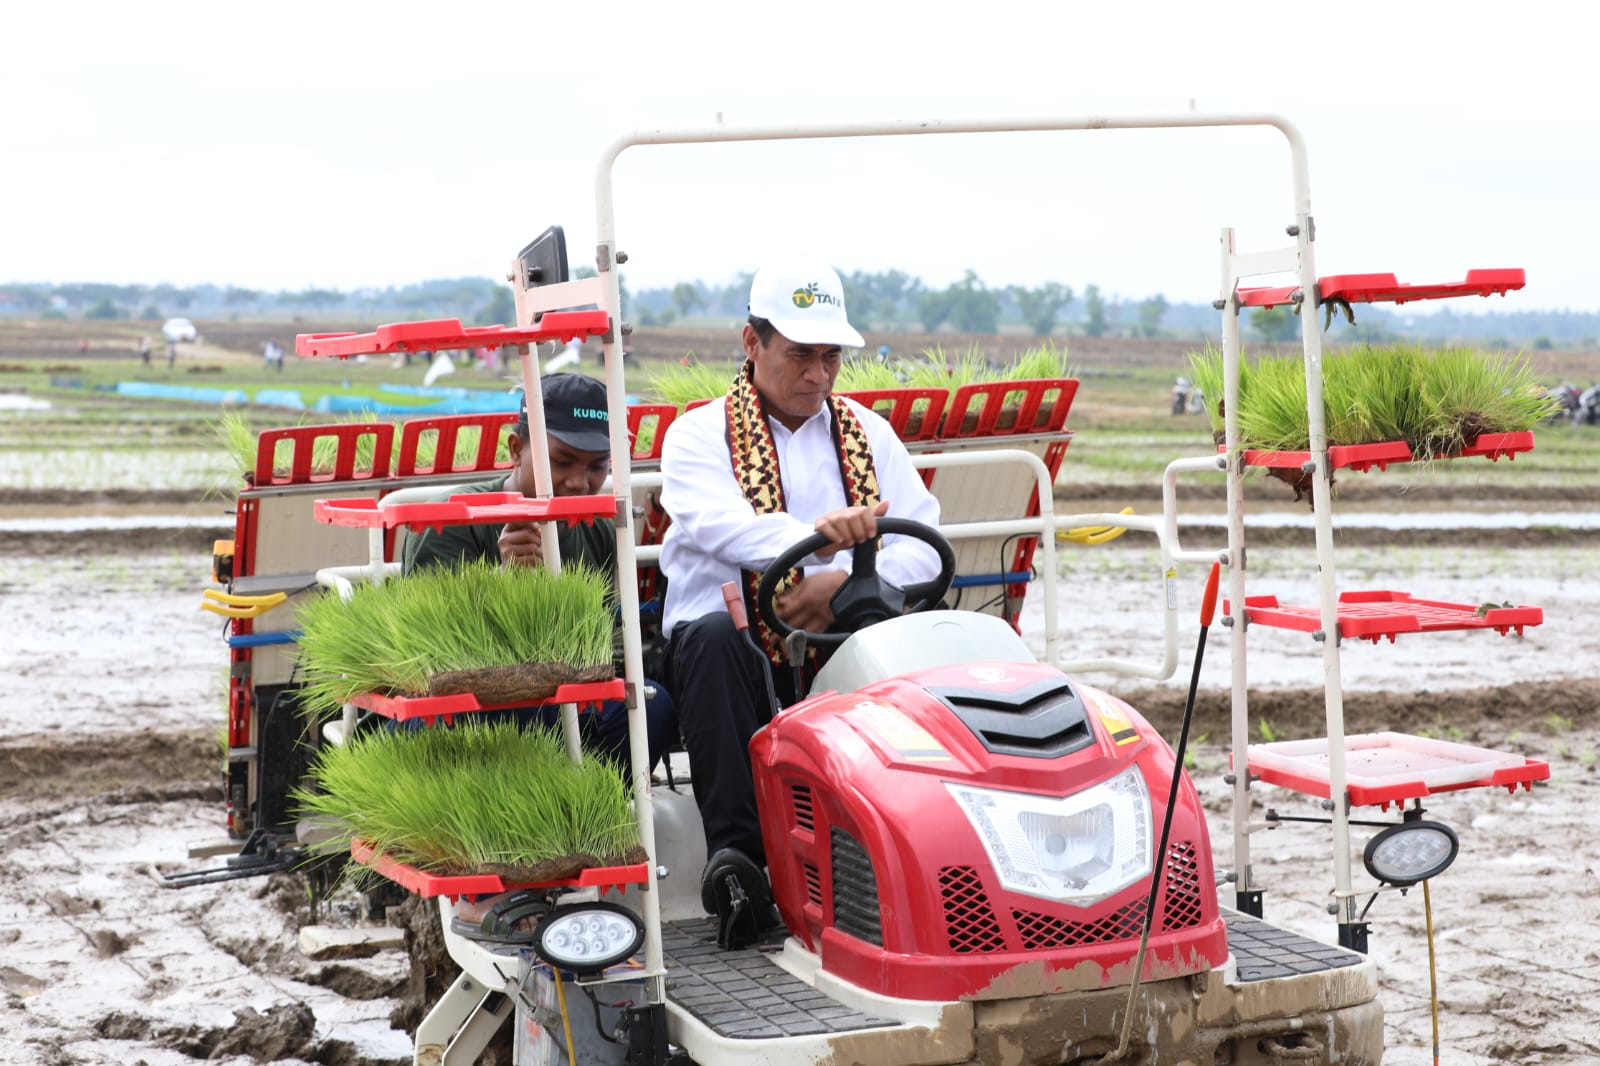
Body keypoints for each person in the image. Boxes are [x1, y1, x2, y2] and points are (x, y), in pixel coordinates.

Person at [657, 255, 942, 948]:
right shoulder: (698, 435)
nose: (818, 374)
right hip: (726, 647)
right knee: (718, 642)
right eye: (799, 355)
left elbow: (923, 535)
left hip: (839, 634)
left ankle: (907, 859)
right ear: (751, 344)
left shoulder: (869, 434)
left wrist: (839, 586)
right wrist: (815, 547)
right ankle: (739, 865)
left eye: (830, 357)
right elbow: (722, 524)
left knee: (897, 647)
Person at [403, 372, 676, 773]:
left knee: (654, 707)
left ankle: (581, 816)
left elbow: (589, 648)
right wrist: (503, 584)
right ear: (516, 449)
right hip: (470, 704)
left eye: (597, 467)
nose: (578, 483)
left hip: (555, 698)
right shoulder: (450, 520)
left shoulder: (597, 528)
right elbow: (424, 657)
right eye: (561, 462)